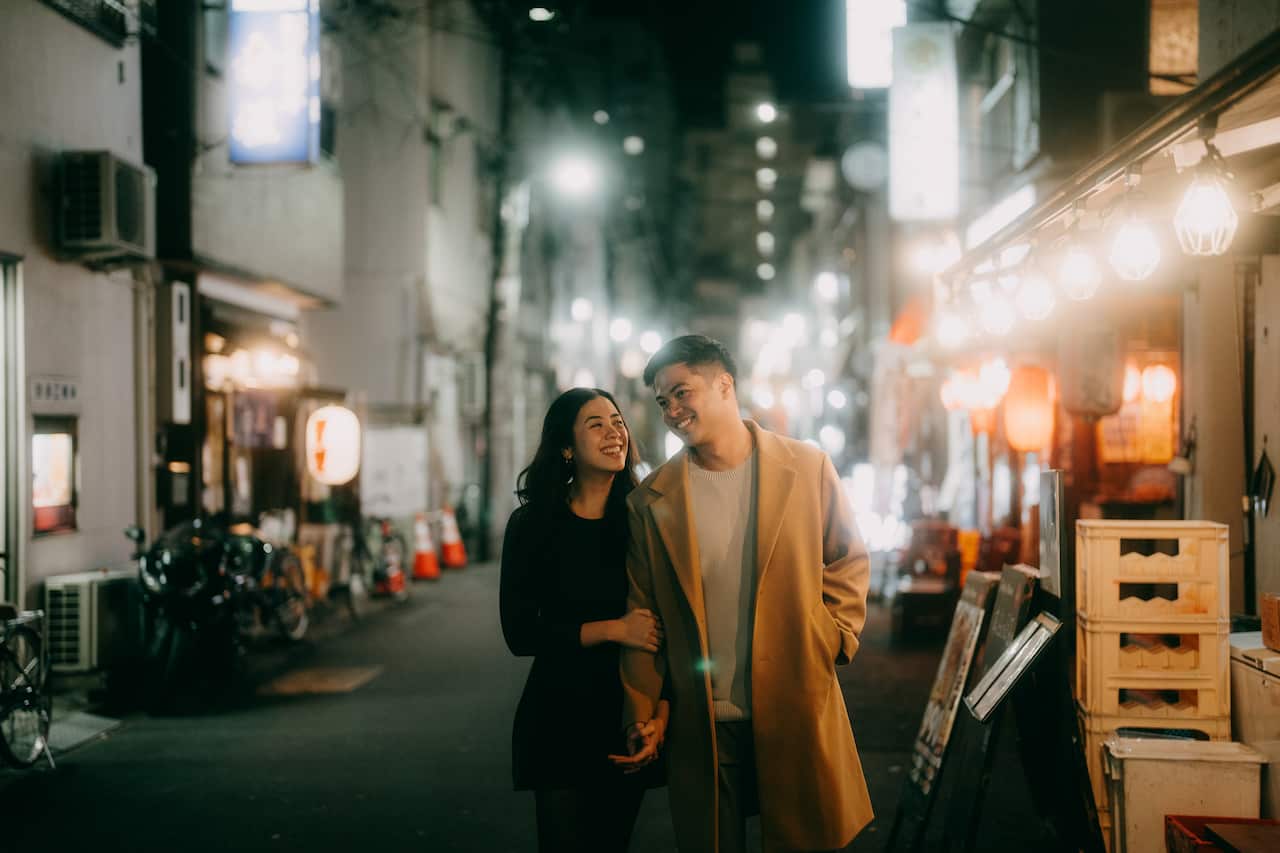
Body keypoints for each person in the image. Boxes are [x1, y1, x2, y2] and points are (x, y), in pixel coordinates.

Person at [615, 335, 872, 853]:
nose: (672, 410)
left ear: (724, 384)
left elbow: (848, 555)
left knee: (804, 837)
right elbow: (642, 615)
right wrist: (642, 710)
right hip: (703, 719)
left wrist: (833, 636)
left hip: (795, 697)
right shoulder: (652, 500)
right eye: (663, 401)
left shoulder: (804, 466)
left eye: (681, 393)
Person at [500, 387, 669, 852]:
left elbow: (675, 631)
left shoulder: (645, 522)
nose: (615, 432)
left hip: (626, 712)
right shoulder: (533, 526)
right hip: (556, 716)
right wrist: (615, 629)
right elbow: (520, 633)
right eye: (596, 424)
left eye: (618, 421)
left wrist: (660, 717)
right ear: (567, 447)